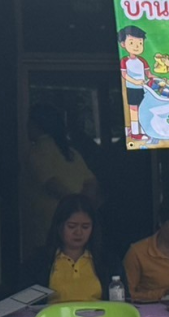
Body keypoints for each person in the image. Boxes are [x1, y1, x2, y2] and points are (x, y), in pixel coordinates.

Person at [22, 103, 102, 252]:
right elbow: (91, 182)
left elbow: (52, 184)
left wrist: (73, 207)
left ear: (36, 125)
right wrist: (84, 209)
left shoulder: (37, 153)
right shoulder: (70, 153)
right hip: (80, 227)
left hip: (48, 228)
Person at [21, 195, 112, 302]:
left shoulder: (108, 261)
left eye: (85, 227)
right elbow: (25, 305)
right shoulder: (38, 262)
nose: (78, 232)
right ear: (59, 226)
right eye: (72, 226)